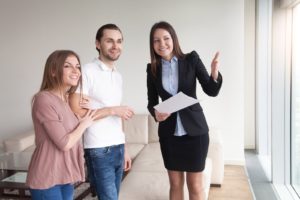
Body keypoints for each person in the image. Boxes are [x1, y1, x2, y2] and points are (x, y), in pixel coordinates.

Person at [146, 21, 223, 200]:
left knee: (195, 186)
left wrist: (214, 73)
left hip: (195, 133)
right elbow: (151, 102)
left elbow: (211, 90)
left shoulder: (191, 59)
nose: (162, 44)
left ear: (174, 39)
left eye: (166, 38)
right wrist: (155, 113)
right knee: (175, 184)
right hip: (169, 135)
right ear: (152, 45)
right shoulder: (152, 69)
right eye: (156, 40)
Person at [69, 24, 134, 200]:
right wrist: (111, 110)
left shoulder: (118, 75)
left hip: (118, 147)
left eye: (119, 41)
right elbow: (76, 111)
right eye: (109, 41)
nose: (115, 45)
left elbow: (118, 115)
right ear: (98, 44)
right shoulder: (87, 71)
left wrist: (125, 148)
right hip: (98, 148)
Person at [26, 50, 99, 200]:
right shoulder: (43, 99)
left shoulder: (66, 100)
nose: (76, 71)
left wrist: (84, 112)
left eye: (78, 66)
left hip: (65, 176)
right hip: (47, 178)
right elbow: (64, 143)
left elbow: (76, 128)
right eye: (68, 66)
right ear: (53, 71)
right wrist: (83, 124)